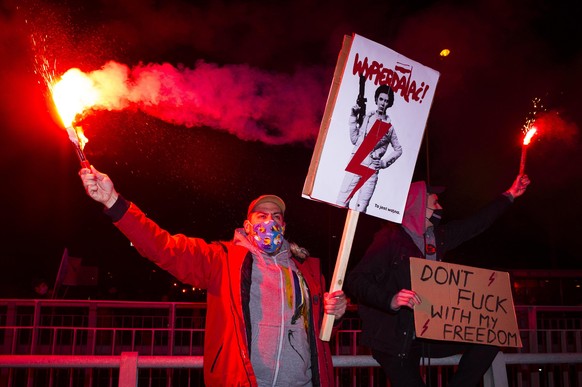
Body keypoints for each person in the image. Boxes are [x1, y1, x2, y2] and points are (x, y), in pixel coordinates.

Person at [79, 165, 347, 387]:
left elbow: (319, 333)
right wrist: (113, 203)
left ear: (284, 226)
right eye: (261, 216)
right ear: (247, 225)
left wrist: (334, 314)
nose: (270, 222)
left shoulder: (306, 272)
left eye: (276, 217)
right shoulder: (222, 260)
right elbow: (164, 248)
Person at [345, 174, 530, 387]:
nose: (440, 207)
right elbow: (356, 280)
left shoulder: (439, 237)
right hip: (395, 340)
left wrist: (509, 195)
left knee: (492, 338)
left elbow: (475, 224)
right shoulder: (389, 240)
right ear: (418, 206)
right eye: (435, 202)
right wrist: (391, 300)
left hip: (429, 333)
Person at [336, 84, 403, 212]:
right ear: (377, 99)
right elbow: (355, 140)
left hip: (372, 167)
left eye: (386, 101)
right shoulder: (367, 118)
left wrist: (383, 163)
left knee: (361, 208)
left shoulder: (389, 127)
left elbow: (398, 149)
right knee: (341, 202)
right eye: (381, 99)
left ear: (390, 104)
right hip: (358, 161)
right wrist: (353, 117)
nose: (383, 103)